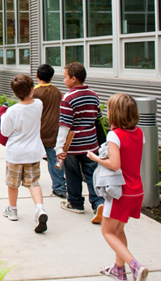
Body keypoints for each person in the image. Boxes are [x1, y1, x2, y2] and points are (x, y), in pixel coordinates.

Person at [86, 94, 148, 281]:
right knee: (119, 231)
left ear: (114, 113)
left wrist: (95, 157)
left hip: (119, 191)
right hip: (136, 190)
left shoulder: (115, 135)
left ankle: (135, 265)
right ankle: (118, 270)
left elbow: (114, 164)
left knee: (107, 231)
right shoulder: (139, 132)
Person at [55, 62, 104, 223]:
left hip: (73, 145)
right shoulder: (93, 95)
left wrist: (59, 147)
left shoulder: (68, 98)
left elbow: (64, 125)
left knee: (73, 174)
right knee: (92, 174)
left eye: (65, 77)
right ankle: (98, 203)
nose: (64, 80)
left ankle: (76, 203)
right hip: (91, 143)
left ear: (74, 79)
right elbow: (98, 118)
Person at [0, 74, 48, 233]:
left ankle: (12, 210)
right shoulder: (39, 104)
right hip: (33, 151)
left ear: (14, 93)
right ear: (32, 91)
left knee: (13, 183)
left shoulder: (12, 111)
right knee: (33, 182)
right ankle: (40, 209)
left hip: (16, 153)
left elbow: (5, 132)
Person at [34, 64, 66, 198]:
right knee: (55, 159)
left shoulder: (34, 92)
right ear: (51, 78)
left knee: (32, 158)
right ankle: (59, 187)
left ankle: (30, 180)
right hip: (54, 131)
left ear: (36, 75)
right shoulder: (57, 91)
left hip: (37, 132)